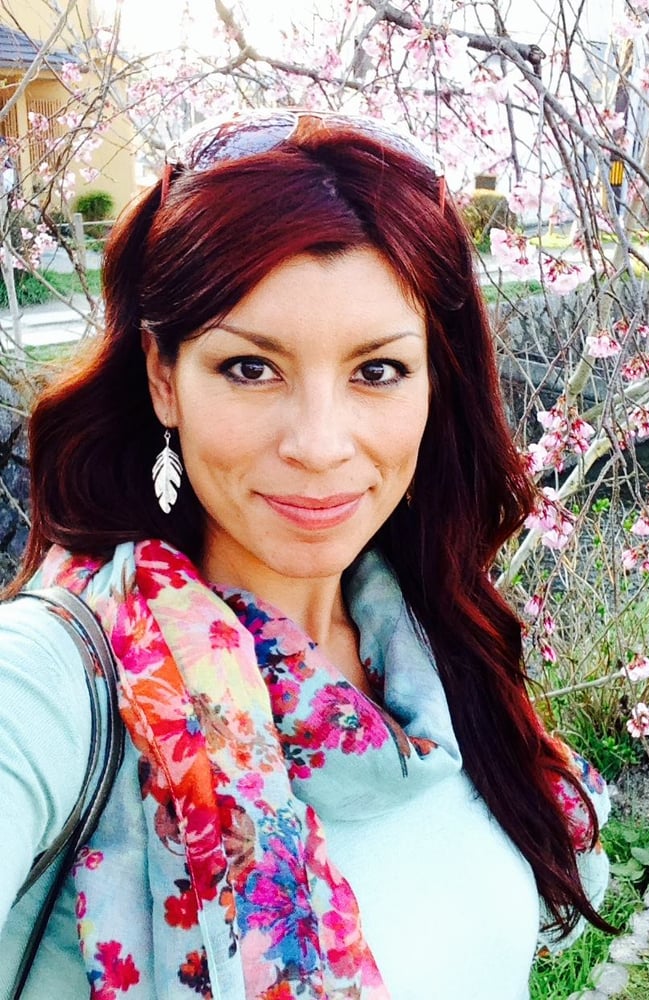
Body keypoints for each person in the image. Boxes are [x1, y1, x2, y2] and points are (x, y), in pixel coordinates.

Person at [0, 109, 611, 999]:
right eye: (251, 368)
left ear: (433, 385)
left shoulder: (437, 641)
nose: (320, 445)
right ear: (164, 378)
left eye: (377, 371)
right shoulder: (59, 683)